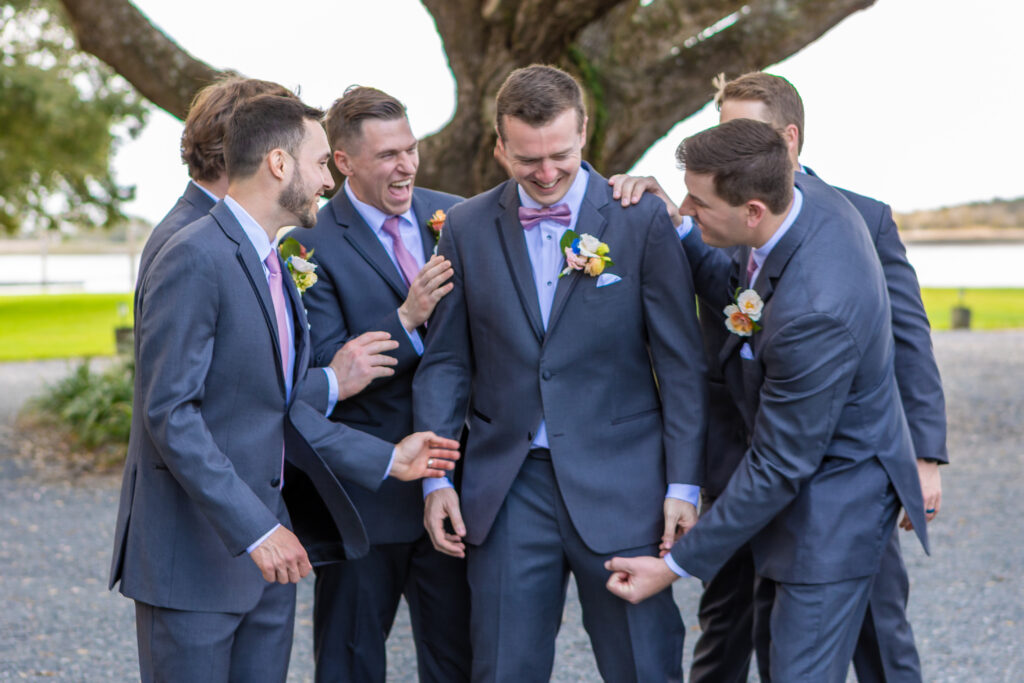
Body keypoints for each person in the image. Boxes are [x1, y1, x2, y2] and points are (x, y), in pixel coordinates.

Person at [108, 93, 459, 682]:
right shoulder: (193, 254)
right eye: (323, 163)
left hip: (272, 558)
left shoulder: (271, 260)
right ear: (278, 164)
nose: (329, 179)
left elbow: (281, 407)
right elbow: (171, 414)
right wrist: (257, 528)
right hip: (198, 557)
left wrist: (389, 459)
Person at [612, 71, 946, 683]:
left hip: (831, 504)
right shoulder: (801, 203)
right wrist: (683, 229)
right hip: (800, 478)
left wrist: (675, 566)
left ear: (754, 207)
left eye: (698, 205)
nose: (686, 212)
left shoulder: (814, 312)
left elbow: (780, 464)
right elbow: (740, 291)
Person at [412, 64, 707, 682]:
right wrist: (436, 479)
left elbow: (680, 365)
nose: (546, 175)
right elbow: (446, 363)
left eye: (561, 157)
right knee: (502, 669)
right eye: (527, 160)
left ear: (585, 134)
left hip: (626, 486)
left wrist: (683, 486)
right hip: (508, 486)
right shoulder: (464, 228)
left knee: (644, 667)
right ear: (498, 145)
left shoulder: (640, 219)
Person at [291, 86, 470, 683]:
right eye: (388, 155)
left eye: (411, 149)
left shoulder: (458, 217)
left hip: (454, 483)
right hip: (364, 491)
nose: (407, 166)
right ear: (343, 162)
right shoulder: (306, 242)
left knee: (457, 657)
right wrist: (404, 320)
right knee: (349, 659)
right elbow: (324, 369)